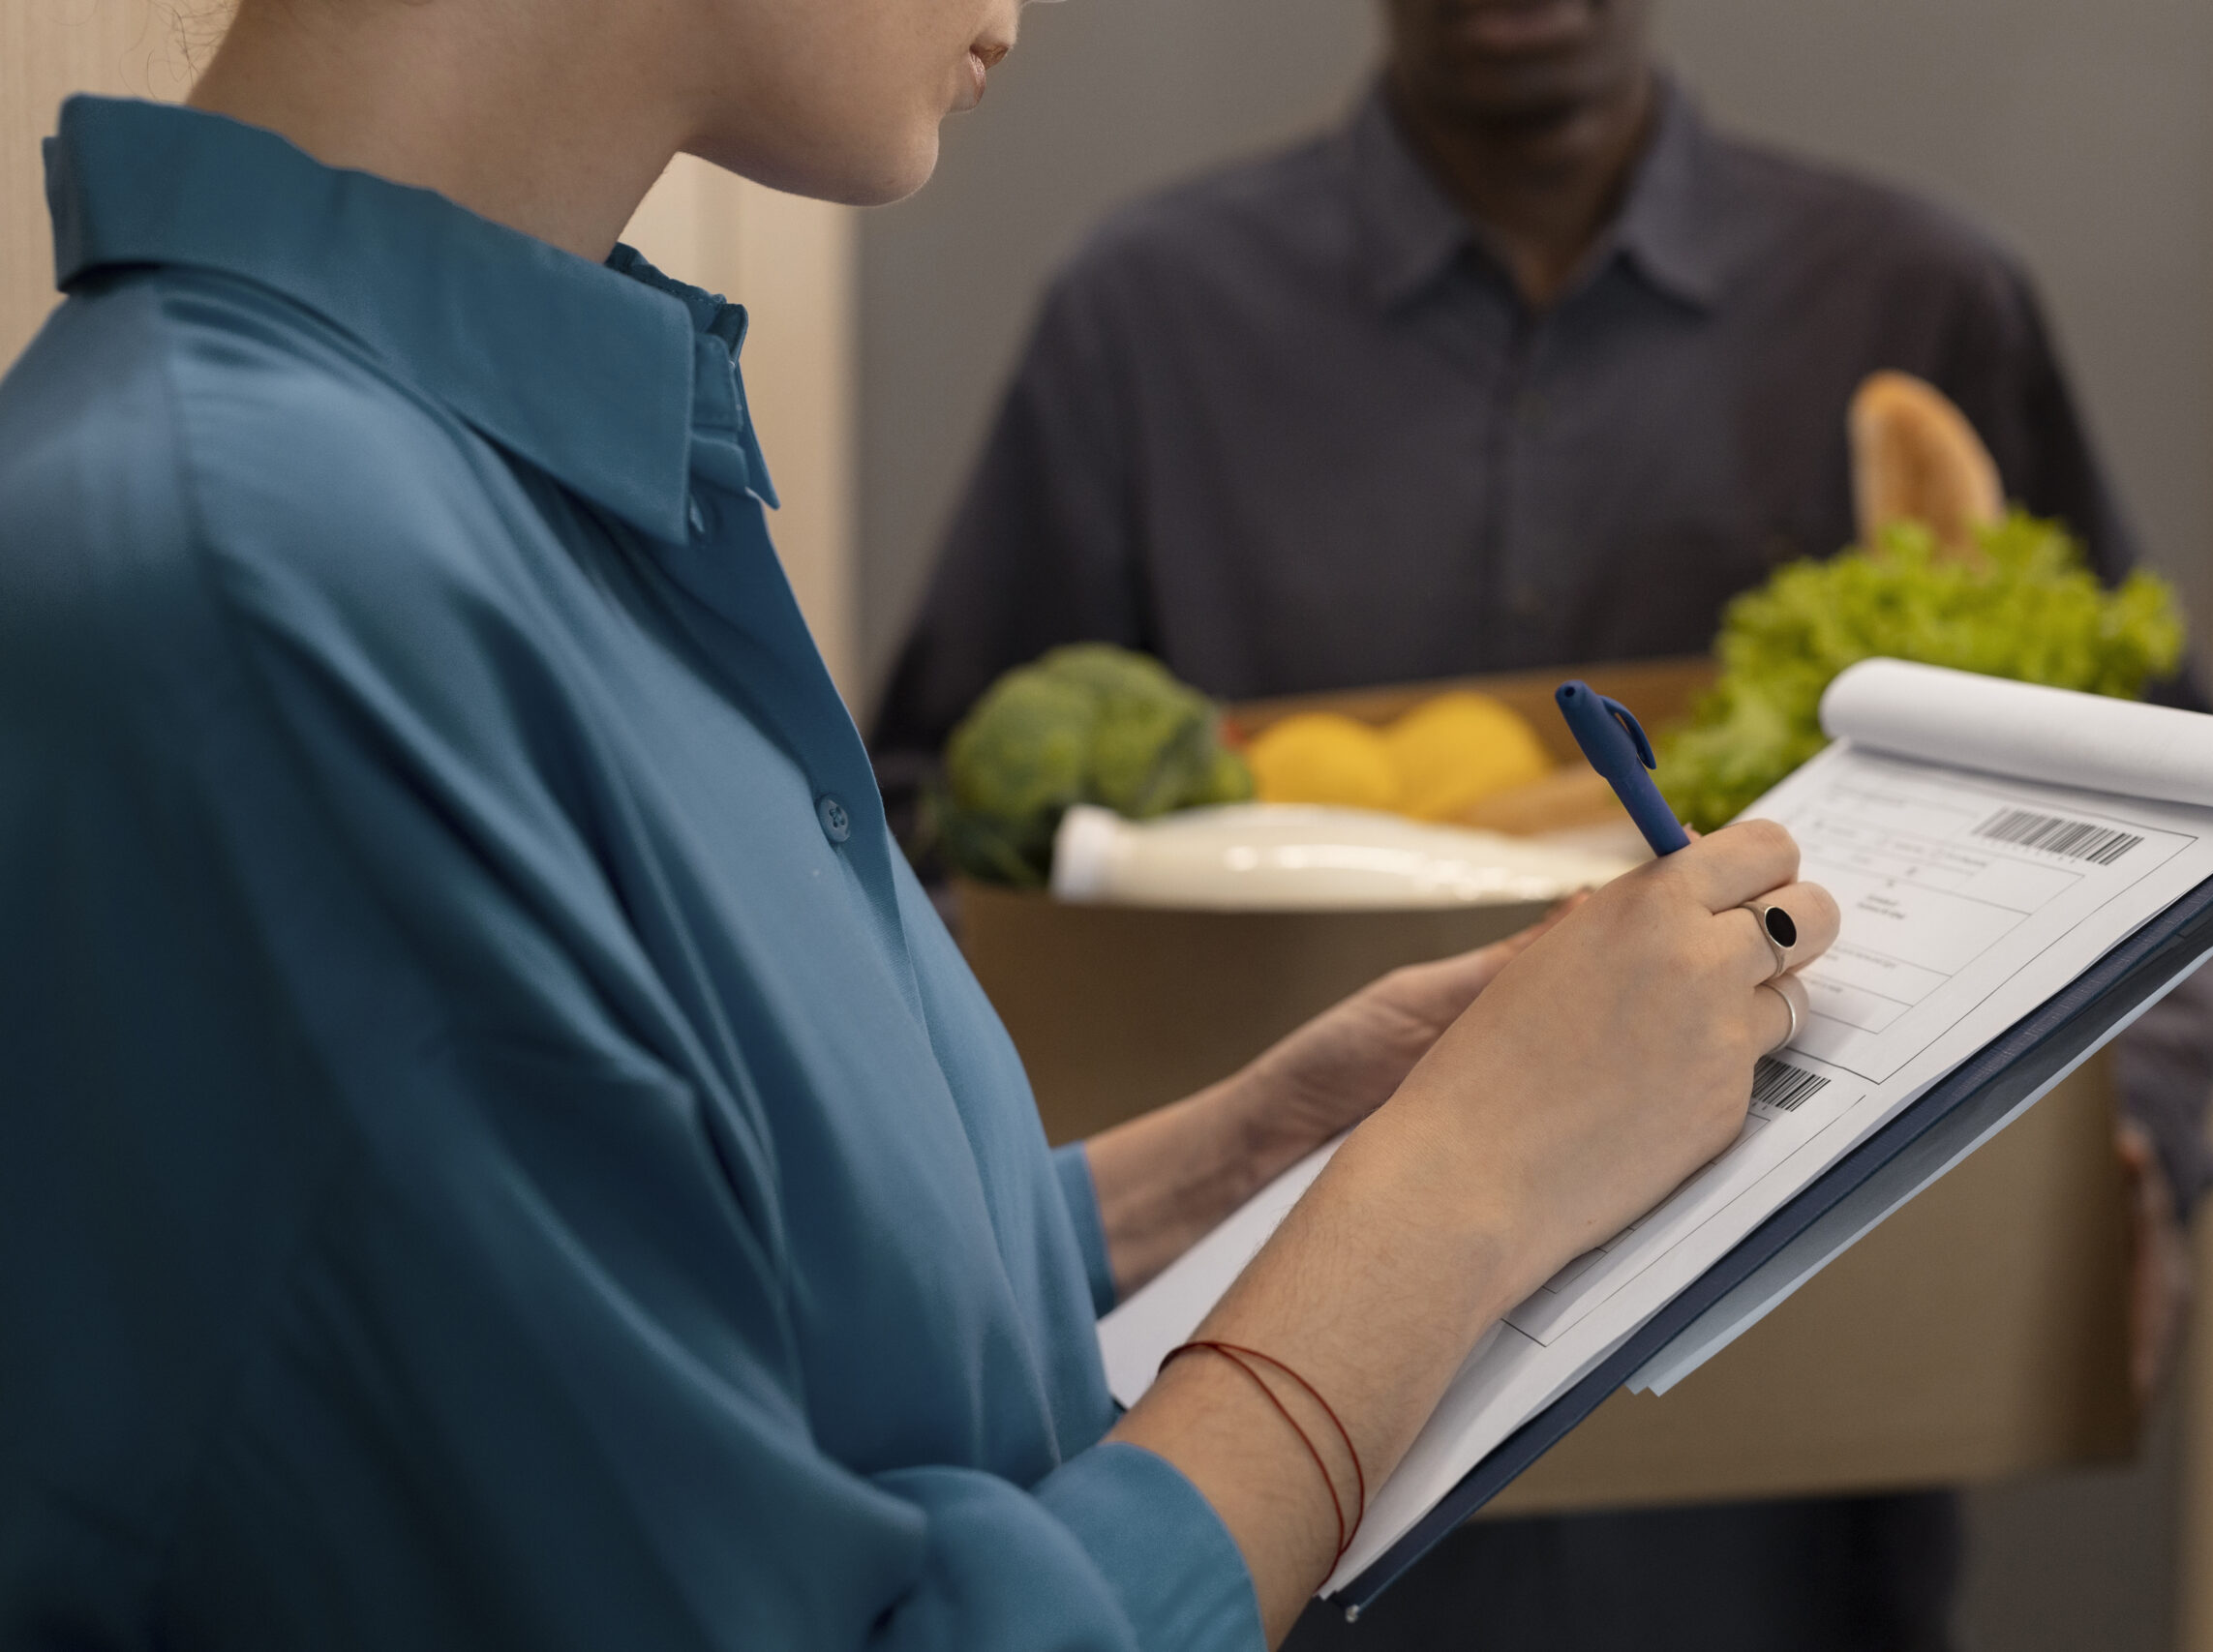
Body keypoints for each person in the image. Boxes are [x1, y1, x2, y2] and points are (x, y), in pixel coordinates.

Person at [0, 0, 1860, 1647]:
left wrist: (1241, 1156)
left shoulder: (463, 488)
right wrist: (1452, 1201)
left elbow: (703, 1345)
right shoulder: (262, 591)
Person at [873, 1, 2213, 1646]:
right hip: (1290, 1449)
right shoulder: (1148, 315)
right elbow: (936, 830)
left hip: (1779, 1477)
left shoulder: (1919, 295)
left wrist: (2133, 1144)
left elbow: (2150, 795)